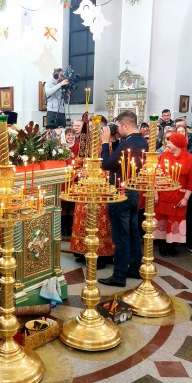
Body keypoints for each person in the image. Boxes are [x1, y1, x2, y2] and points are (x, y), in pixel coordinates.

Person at [97, 111, 148, 287]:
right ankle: (134, 268)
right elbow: (122, 158)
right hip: (134, 192)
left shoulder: (128, 144)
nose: (115, 129)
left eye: (117, 126)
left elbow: (107, 164)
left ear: (125, 125)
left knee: (121, 236)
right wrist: (117, 140)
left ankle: (119, 276)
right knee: (134, 233)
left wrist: (105, 142)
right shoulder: (141, 141)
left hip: (120, 193)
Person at [70, 113, 115, 268]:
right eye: (89, 127)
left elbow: (108, 167)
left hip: (100, 187)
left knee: (98, 219)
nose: (91, 130)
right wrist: (79, 171)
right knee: (83, 215)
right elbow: (79, 162)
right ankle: (82, 250)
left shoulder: (106, 145)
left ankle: (101, 254)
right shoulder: (85, 143)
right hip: (85, 186)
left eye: (95, 127)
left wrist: (94, 173)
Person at [154, 133, 192, 256]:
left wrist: (185, 198)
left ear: (177, 144)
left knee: (174, 220)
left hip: (178, 196)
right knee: (162, 219)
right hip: (162, 195)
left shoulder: (190, 158)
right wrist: (156, 193)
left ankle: (171, 246)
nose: (167, 144)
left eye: (170, 142)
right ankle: (162, 246)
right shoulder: (163, 156)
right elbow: (156, 176)